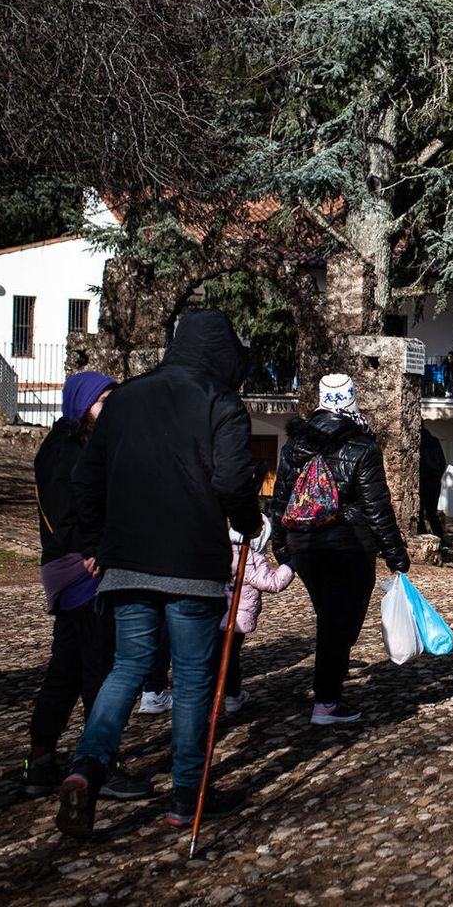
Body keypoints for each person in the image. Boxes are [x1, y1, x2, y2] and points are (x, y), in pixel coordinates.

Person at [58, 310, 265, 839]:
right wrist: (247, 521)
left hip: (126, 560)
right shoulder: (222, 402)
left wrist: (99, 541)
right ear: (222, 355)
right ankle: (187, 795)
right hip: (191, 562)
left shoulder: (124, 398)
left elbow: (86, 478)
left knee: (127, 669)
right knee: (194, 680)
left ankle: (87, 768)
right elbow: (233, 479)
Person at [21, 372, 151, 801]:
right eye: (103, 402)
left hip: (88, 565)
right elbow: (64, 518)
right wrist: (94, 550)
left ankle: (42, 761)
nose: (109, 410)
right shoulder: (61, 452)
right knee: (99, 668)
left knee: (68, 668)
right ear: (82, 405)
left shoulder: (90, 446)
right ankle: (96, 765)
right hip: (81, 571)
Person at [271, 373, 411, 724]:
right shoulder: (363, 446)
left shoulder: (293, 447)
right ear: (352, 400)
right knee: (339, 623)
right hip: (349, 545)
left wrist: (280, 545)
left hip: (303, 545)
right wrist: (396, 556)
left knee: (329, 617)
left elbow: (281, 498)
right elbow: (377, 508)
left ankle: (330, 685)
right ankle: (327, 701)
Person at [216, 532, 296, 714]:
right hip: (236, 620)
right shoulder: (251, 558)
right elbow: (272, 583)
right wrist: (290, 566)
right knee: (230, 658)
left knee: (214, 658)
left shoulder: (218, 553)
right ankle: (232, 696)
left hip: (213, 615)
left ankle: (212, 701)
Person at [419, 424, 448, 546]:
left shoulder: (417, 441)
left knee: (419, 513)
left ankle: (423, 538)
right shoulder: (434, 441)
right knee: (432, 513)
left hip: (422, 480)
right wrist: (437, 476)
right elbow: (443, 463)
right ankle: (441, 541)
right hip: (435, 480)